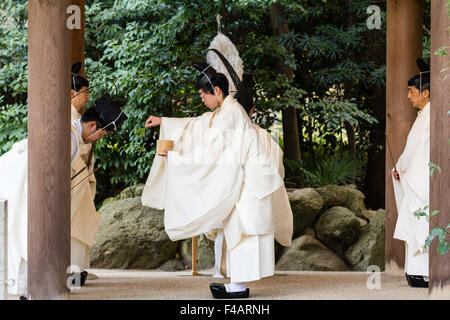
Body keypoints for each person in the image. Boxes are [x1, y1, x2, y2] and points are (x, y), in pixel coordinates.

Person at [141, 62, 288, 299]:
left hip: (249, 183)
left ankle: (238, 287)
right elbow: (197, 124)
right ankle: (235, 284)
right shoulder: (224, 112)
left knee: (242, 232)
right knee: (235, 232)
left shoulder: (231, 114)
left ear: (217, 92)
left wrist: (177, 156)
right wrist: (164, 121)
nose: (202, 100)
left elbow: (211, 152)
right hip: (243, 180)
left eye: (203, 95)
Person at [0, 93, 127, 295]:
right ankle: (28, 291)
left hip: (27, 183)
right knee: (24, 238)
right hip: (21, 183)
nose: (98, 140)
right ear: (92, 125)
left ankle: (28, 290)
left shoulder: (73, 135)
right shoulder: (69, 137)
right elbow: (49, 173)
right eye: (100, 135)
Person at [392, 59, 430, 288]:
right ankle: (415, 271)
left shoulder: (432, 118)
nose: (408, 96)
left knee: (422, 223)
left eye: (411, 91)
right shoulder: (423, 117)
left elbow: (424, 155)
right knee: (414, 223)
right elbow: (411, 152)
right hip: (414, 179)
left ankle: (424, 272)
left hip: (422, 182)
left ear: (425, 93)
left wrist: (405, 171)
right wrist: (400, 168)